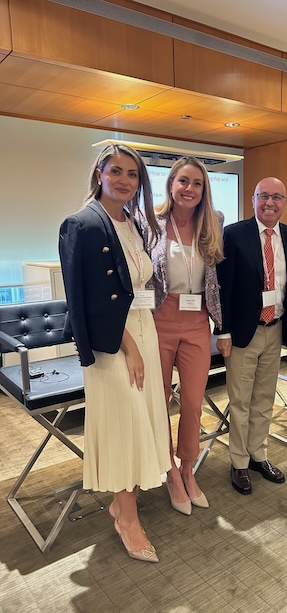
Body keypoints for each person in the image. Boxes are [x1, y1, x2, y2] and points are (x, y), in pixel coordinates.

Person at [59, 144, 171, 562]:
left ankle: (122, 505)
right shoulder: (82, 224)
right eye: (116, 171)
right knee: (125, 424)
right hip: (112, 343)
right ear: (100, 173)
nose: (124, 180)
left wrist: (146, 341)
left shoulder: (133, 223)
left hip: (144, 331)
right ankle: (126, 516)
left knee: (142, 422)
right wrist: (130, 348)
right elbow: (86, 299)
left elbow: (138, 287)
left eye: (133, 174)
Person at [138, 156, 223, 515]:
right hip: (159, 318)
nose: (190, 189)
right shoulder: (149, 222)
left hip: (197, 321)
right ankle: (169, 471)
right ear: (170, 184)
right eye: (183, 181)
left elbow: (217, 276)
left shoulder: (213, 223)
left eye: (197, 183)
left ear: (204, 191)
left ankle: (188, 467)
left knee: (192, 402)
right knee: (158, 401)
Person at [216, 177, 287, 494]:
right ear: (253, 199)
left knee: (264, 399)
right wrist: (222, 330)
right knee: (240, 401)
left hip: (276, 328)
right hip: (242, 332)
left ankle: (257, 455)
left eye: (277, 197)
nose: (270, 203)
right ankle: (238, 462)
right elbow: (223, 286)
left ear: (285, 202)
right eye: (264, 196)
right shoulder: (234, 235)